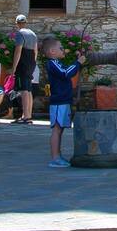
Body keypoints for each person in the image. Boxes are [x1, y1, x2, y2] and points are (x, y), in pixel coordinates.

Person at [42, 35, 79, 167]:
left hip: (63, 100)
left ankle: (58, 154)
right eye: (61, 48)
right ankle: (55, 157)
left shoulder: (56, 63)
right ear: (52, 51)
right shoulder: (53, 63)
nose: (64, 50)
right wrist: (78, 62)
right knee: (57, 129)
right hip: (59, 101)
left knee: (60, 129)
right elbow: (65, 73)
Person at [12, 14, 39, 124]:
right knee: (28, 89)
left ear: (17, 23)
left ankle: (26, 117)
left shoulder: (20, 33)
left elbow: (18, 51)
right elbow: (36, 51)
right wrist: (33, 62)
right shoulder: (33, 34)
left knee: (23, 89)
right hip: (31, 61)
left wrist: (14, 67)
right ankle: (28, 115)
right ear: (26, 22)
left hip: (23, 62)